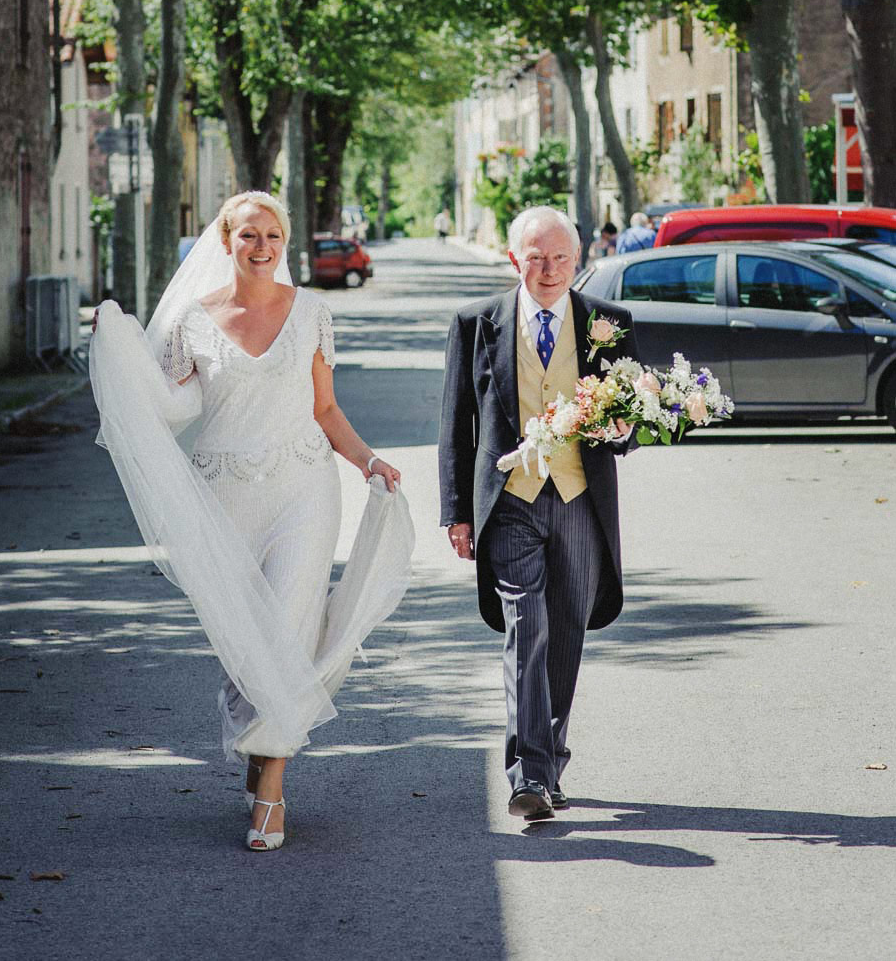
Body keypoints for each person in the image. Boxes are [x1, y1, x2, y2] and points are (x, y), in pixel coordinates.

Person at [90, 191, 413, 853]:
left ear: (283, 243)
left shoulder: (313, 314)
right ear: (225, 240)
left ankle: (271, 789)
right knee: (244, 641)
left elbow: (325, 409)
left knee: (290, 629)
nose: (262, 246)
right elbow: (176, 410)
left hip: (304, 488)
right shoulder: (193, 321)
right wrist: (121, 352)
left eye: (273, 235)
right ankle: (259, 737)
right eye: (248, 235)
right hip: (225, 495)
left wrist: (369, 460)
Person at [438, 205, 638, 821]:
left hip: (579, 501)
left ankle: (550, 756)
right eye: (535, 257)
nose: (548, 269)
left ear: (577, 261)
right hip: (510, 503)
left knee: (566, 634)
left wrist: (627, 427)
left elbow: (625, 423)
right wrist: (456, 512)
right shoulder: (476, 323)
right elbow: (455, 424)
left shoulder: (610, 323)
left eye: (559, 258)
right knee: (526, 628)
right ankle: (529, 774)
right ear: (513, 258)